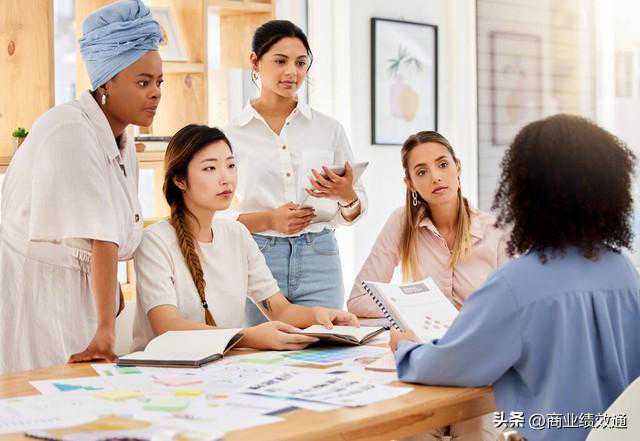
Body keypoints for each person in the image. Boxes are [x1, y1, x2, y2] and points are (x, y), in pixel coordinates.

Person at [390, 114, 640, 441]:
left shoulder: (517, 284)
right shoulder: (624, 271)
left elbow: (452, 363)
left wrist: (406, 348)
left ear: (524, 193)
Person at [0, 0, 163, 374]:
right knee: (41, 389)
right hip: (35, 291)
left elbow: (111, 233)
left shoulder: (121, 139)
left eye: (159, 82)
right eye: (142, 82)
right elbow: (101, 238)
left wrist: (109, 308)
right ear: (107, 82)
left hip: (74, 293)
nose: (155, 93)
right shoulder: (71, 132)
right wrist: (105, 332)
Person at [132, 125, 359, 351]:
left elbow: (280, 311)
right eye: (210, 168)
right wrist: (247, 337)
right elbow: (167, 326)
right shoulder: (155, 241)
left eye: (231, 165)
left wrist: (320, 315)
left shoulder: (237, 234)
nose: (226, 178)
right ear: (180, 180)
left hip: (221, 365)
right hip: (163, 366)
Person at [347, 131, 507, 440]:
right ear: (410, 183)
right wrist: (407, 314)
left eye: (442, 164)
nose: (435, 177)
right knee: (413, 435)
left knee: (475, 434)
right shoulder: (401, 222)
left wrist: (454, 316)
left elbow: (516, 311)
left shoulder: (495, 231)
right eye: (421, 171)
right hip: (425, 364)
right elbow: (358, 299)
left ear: (458, 167)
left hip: (479, 366)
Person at [222, 20, 367, 326]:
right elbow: (214, 217)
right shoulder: (229, 135)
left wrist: (347, 196)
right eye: (280, 61)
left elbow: (353, 212)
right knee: (258, 351)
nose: (292, 72)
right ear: (255, 62)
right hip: (257, 257)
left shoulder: (328, 129)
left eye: (301, 63)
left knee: (327, 348)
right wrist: (270, 219)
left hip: (320, 257)